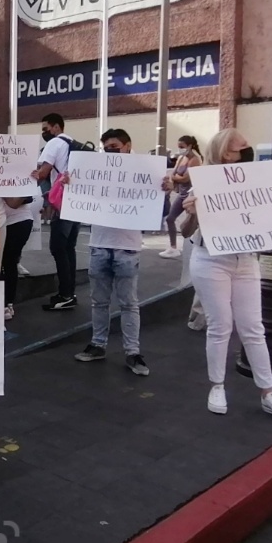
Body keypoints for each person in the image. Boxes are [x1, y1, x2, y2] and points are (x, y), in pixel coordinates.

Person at [180, 129, 272, 424]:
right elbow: (184, 230)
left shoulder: (258, 180)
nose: (246, 152)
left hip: (246, 259)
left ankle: (268, 393)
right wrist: (192, 211)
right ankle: (217, 386)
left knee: (253, 328)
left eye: (247, 147)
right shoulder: (204, 182)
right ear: (224, 153)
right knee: (220, 325)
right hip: (210, 259)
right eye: (239, 148)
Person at [72, 129, 170, 377]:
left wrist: (165, 188)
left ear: (128, 146)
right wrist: (69, 184)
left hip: (127, 247)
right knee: (99, 301)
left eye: (114, 146)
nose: (110, 150)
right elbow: (78, 196)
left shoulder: (145, 172)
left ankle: (132, 352)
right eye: (106, 147)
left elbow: (160, 208)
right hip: (99, 244)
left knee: (129, 303)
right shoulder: (97, 170)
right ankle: (98, 344)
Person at [33, 113, 82, 311]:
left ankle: (66, 294)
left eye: (46, 128)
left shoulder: (55, 143)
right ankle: (69, 292)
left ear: (56, 127)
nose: (44, 132)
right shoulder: (73, 143)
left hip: (62, 203)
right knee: (69, 248)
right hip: (77, 202)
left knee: (58, 248)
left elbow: (43, 173)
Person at [0, 191, 40, 321]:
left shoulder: (11, 178)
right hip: (9, 221)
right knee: (8, 263)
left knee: (5, 262)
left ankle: (6, 304)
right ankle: (7, 303)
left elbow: (13, 203)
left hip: (15, 222)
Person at [161, 136, 202, 258]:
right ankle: (173, 247)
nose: (180, 149)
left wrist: (176, 178)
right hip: (181, 194)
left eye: (182, 147)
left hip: (191, 194)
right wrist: (175, 178)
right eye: (179, 147)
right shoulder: (181, 158)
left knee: (190, 223)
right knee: (170, 218)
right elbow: (173, 174)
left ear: (190, 146)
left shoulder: (195, 160)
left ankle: (191, 246)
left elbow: (186, 178)